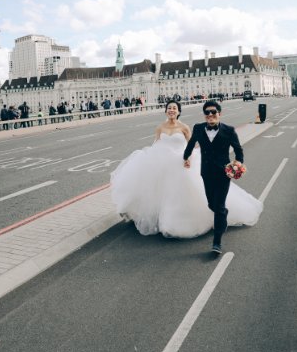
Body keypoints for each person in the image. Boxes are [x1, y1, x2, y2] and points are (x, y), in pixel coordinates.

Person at [110, 101, 261, 250]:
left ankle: (217, 242)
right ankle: (216, 214)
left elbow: (191, 144)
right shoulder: (164, 127)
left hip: (202, 169)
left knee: (209, 203)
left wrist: (237, 164)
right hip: (169, 166)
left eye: (174, 108)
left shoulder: (188, 128)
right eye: (169, 108)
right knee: (201, 202)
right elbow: (161, 144)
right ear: (165, 111)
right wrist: (178, 156)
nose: (171, 110)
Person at [184, 100, 262, 255]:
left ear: (220, 113)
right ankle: (223, 213)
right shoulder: (198, 128)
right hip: (206, 172)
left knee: (218, 206)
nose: (210, 115)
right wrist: (186, 157)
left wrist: (238, 163)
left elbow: (238, 150)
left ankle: (217, 242)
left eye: (213, 112)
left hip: (223, 173)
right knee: (211, 204)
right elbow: (191, 144)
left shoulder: (229, 130)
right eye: (207, 112)